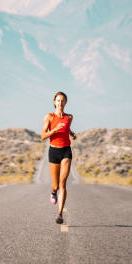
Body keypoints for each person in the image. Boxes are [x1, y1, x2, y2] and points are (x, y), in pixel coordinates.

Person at [41, 91, 77, 224]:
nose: (60, 102)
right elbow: (43, 136)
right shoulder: (49, 117)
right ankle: (53, 191)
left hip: (66, 151)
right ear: (54, 102)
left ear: (66, 102)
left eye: (62, 100)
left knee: (63, 183)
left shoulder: (70, 117)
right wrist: (55, 130)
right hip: (54, 152)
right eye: (58, 100)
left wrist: (72, 134)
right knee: (55, 184)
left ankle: (60, 214)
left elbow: (67, 129)